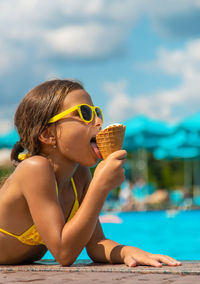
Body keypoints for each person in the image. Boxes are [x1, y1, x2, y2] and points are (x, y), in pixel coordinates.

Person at [0, 79, 181, 267]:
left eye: (97, 112)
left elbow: (96, 244)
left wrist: (127, 251)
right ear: (47, 135)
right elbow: (63, 253)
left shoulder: (80, 175)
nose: (99, 121)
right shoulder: (34, 168)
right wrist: (100, 185)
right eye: (85, 113)